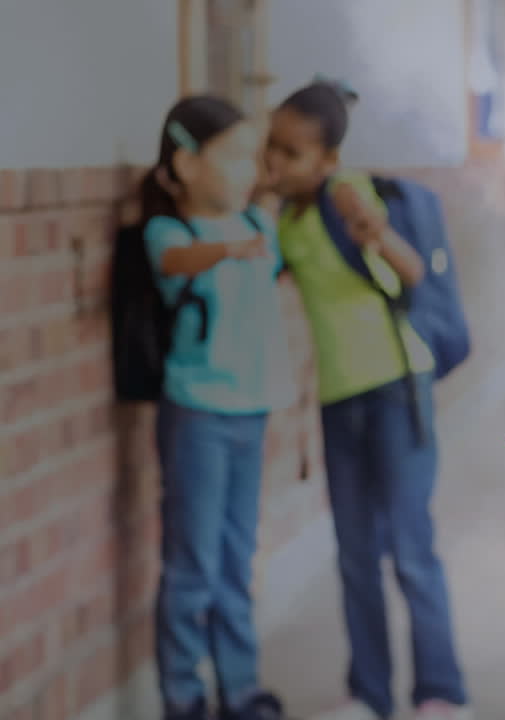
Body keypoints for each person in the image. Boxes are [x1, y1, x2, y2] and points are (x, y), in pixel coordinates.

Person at [264, 80, 468, 720]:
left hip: (395, 391)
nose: (274, 162)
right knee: (354, 555)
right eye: (271, 147)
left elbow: (412, 271)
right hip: (338, 401)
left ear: (327, 160)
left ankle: (441, 693)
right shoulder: (288, 217)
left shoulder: (346, 193)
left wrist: (373, 230)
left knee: (410, 548)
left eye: (291, 153)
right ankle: (370, 694)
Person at [140, 95, 294, 720]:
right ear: (186, 163)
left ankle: (240, 689)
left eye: (252, 158)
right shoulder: (171, 232)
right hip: (196, 416)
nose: (247, 171)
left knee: (235, 560)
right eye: (232, 156)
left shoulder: (258, 225)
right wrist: (227, 249)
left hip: (251, 414)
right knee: (193, 564)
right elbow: (173, 263)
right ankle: (182, 695)